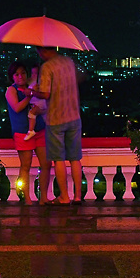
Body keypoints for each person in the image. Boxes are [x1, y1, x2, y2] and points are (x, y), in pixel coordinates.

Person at [34, 46, 83, 204]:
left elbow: (46, 94)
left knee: (58, 159)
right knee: (75, 158)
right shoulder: (68, 61)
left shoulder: (47, 66)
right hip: (74, 116)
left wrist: (33, 92)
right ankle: (77, 196)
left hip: (56, 118)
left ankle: (64, 196)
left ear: (43, 51)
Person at [5, 61, 51, 205]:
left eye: (23, 73)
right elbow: (17, 108)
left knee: (46, 164)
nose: (20, 77)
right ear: (12, 77)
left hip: (39, 129)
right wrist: (29, 96)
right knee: (26, 165)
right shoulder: (11, 90)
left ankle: (43, 197)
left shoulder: (32, 87)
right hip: (22, 132)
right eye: (17, 74)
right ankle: (27, 198)